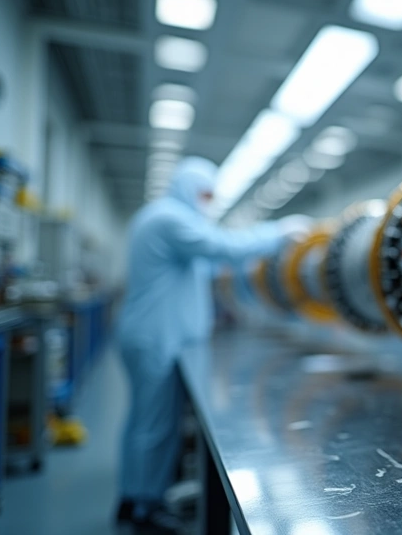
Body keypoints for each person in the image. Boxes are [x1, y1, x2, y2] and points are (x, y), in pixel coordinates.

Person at [113, 157, 308, 533]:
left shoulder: (162, 218)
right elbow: (221, 247)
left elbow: (209, 264)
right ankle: (145, 507)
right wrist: (279, 233)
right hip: (156, 336)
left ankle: (131, 495)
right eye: (204, 193)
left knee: (143, 420)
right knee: (155, 425)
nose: (208, 202)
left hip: (153, 334)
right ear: (186, 187)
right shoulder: (168, 219)